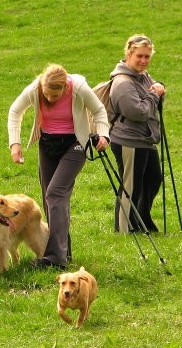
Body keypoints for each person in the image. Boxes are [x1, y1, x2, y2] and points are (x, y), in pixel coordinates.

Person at [8, 63, 110, 269]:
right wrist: (15, 143)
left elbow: (99, 110)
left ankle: (55, 258)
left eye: (55, 96)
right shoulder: (36, 88)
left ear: (65, 88)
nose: (49, 99)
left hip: (75, 144)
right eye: (46, 95)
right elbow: (15, 111)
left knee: (55, 193)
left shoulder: (79, 88)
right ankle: (65, 252)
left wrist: (104, 135)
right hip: (48, 144)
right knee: (49, 196)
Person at [109, 34, 166, 233]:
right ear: (128, 53)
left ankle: (141, 219)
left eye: (147, 56)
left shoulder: (143, 76)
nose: (143, 60)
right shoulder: (123, 82)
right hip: (128, 140)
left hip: (145, 139)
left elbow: (152, 96)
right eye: (139, 56)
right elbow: (137, 112)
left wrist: (159, 89)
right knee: (130, 185)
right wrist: (154, 94)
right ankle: (124, 229)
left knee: (153, 179)